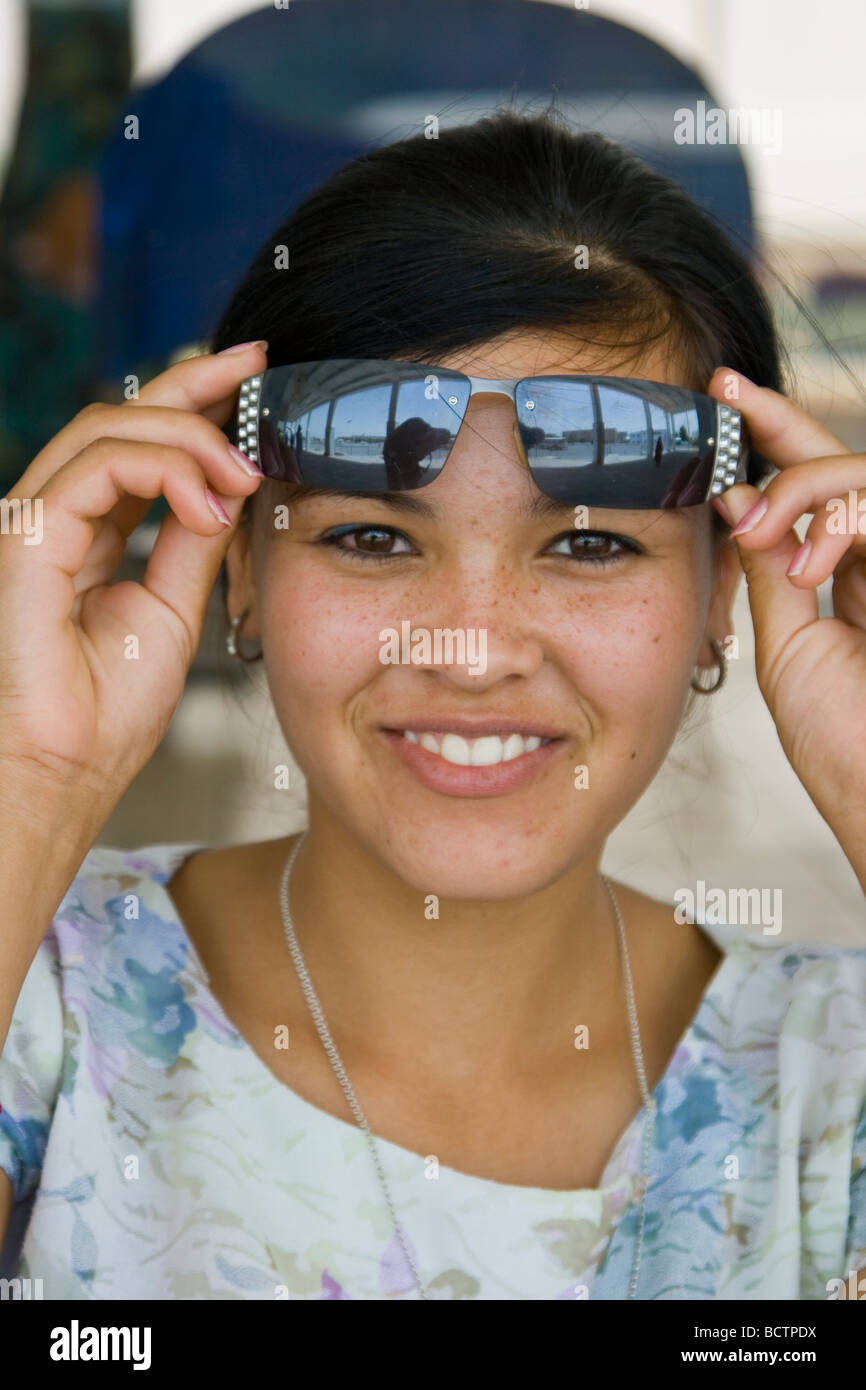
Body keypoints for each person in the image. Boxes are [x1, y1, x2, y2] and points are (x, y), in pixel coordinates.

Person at [0, 109, 864, 1302]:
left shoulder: (830, 1082)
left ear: (729, 589)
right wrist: (28, 783)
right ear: (238, 566)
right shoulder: (40, 999)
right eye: (369, 535)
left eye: (591, 543)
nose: (467, 649)